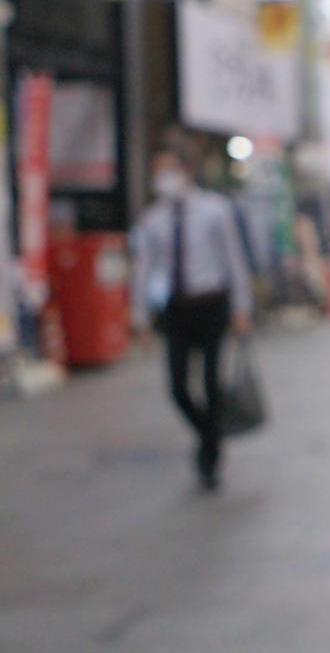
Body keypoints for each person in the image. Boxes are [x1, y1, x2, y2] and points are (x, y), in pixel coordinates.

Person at [132, 146, 253, 491]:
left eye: (168, 169)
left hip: (212, 304)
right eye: (158, 172)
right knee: (178, 387)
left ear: (186, 170)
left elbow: (234, 261)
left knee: (213, 382)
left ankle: (210, 456)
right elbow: (144, 270)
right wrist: (140, 317)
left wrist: (241, 307)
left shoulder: (216, 210)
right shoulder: (153, 219)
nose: (163, 178)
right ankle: (210, 435)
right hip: (177, 308)